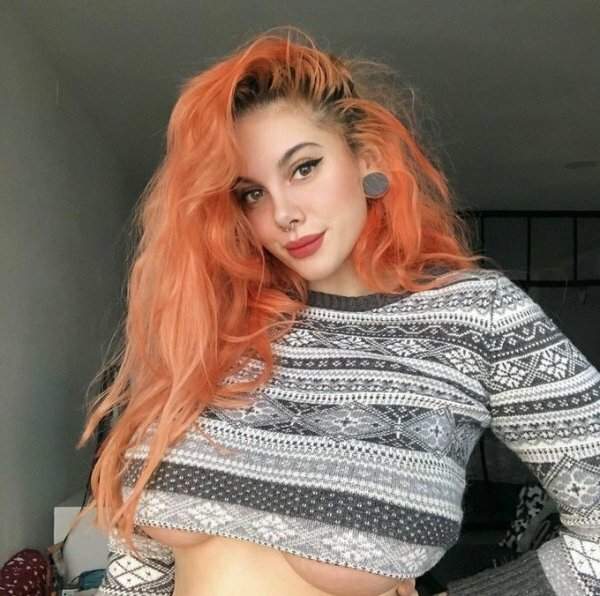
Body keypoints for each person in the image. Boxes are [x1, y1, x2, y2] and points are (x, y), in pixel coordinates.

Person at [76, 26, 600, 596]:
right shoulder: (213, 325)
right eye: (251, 192)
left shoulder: (478, 316)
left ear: (365, 159)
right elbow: (140, 562)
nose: (283, 213)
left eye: (304, 167)